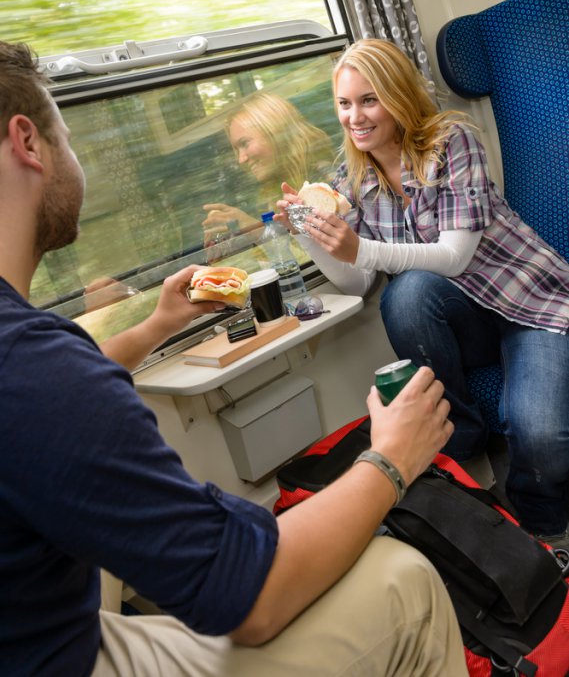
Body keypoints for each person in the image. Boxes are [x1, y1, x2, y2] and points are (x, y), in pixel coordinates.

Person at [0, 40, 467, 677]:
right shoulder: (35, 369)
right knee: (403, 579)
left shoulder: (32, 358)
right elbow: (252, 599)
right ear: (29, 142)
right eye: (68, 136)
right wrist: (391, 459)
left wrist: (156, 326)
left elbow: (47, 384)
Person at [277, 37, 569, 547]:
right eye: (344, 103)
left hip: (528, 303)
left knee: (540, 433)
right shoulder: (352, 178)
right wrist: (308, 232)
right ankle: (463, 440)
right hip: (464, 317)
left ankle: (546, 536)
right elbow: (357, 280)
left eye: (369, 100)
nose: (354, 117)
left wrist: (359, 247)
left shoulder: (451, 141)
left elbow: (454, 256)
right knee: (404, 295)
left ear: (397, 96)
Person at [202, 91, 335, 241]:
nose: (241, 159)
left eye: (245, 143)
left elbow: (325, 248)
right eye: (237, 150)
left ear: (275, 134)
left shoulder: (327, 183)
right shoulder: (273, 194)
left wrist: (255, 229)